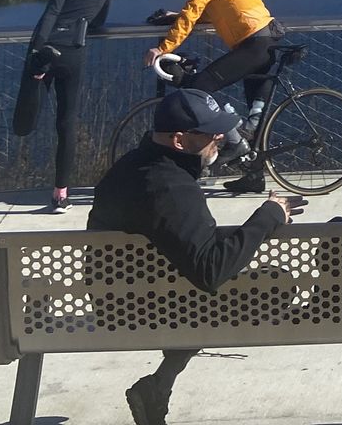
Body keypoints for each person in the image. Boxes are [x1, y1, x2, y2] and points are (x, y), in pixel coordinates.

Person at [88, 88, 304, 425]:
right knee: (273, 284)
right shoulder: (171, 187)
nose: (220, 136)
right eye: (210, 132)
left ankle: (159, 386)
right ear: (179, 140)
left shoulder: (131, 167)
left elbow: (180, 243)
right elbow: (210, 271)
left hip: (117, 301)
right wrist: (268, 217)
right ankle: (159, 384)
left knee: (208, 290)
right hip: (145, 312)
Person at [144, 0, 280, 194]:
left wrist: (163, 48)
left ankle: (236, 144)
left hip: (252, 45)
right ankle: (253, 175)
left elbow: (193, 10)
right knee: (254, 118)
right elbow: (215, 10)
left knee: (201, 87)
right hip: (267, 40)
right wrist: (175, 16)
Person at [16, 0, 118, 211]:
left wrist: (37, 49)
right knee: (67, 123)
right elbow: (99, 21)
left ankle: (37, 78)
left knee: (25, 117)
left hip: (48, 49)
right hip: (75, 52)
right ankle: (61, 193)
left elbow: (52, 11)